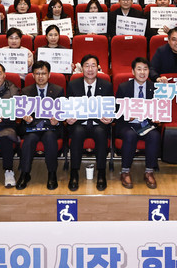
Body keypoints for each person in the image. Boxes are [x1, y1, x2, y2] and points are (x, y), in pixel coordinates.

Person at [66, 54, 114, 191]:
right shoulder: (73, 84)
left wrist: (110, 118)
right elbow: (67, 106)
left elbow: (112, 107)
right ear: (82, 68)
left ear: (98, 68)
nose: (90, 69)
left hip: (99, 124)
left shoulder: (106, 85)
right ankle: (74, 172)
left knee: (100, 133)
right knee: (77, 132)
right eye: (87, 66)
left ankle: (101, 172)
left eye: (93, 66)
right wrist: (68, 118)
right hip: (79, 123)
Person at [18, 60, 64, 190]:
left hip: (51, 127)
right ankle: (25, 173)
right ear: (32, 75)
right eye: (37, 73)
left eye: (43, 73)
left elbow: (62, 111)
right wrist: (26, 119)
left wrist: (58, 120)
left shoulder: (58, 90)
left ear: (49, 75)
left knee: (50, 137)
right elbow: (23, 112)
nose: (40, 76)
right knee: (29, 139)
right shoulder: (26, 91)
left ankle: (52, 173)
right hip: (33, 127)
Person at [115, 57, 161, 189]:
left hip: (146, 124)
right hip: (128, 124)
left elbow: (160, 108)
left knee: (154, 135)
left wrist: (157, 117)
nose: (142, 72)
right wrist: (126, 116)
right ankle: (125, 172)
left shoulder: (155, 88)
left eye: (145, 69)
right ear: (133, 72)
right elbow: (116, 110)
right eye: (139, 69)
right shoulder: (124, 87)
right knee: (130, 135)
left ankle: (149, 172)